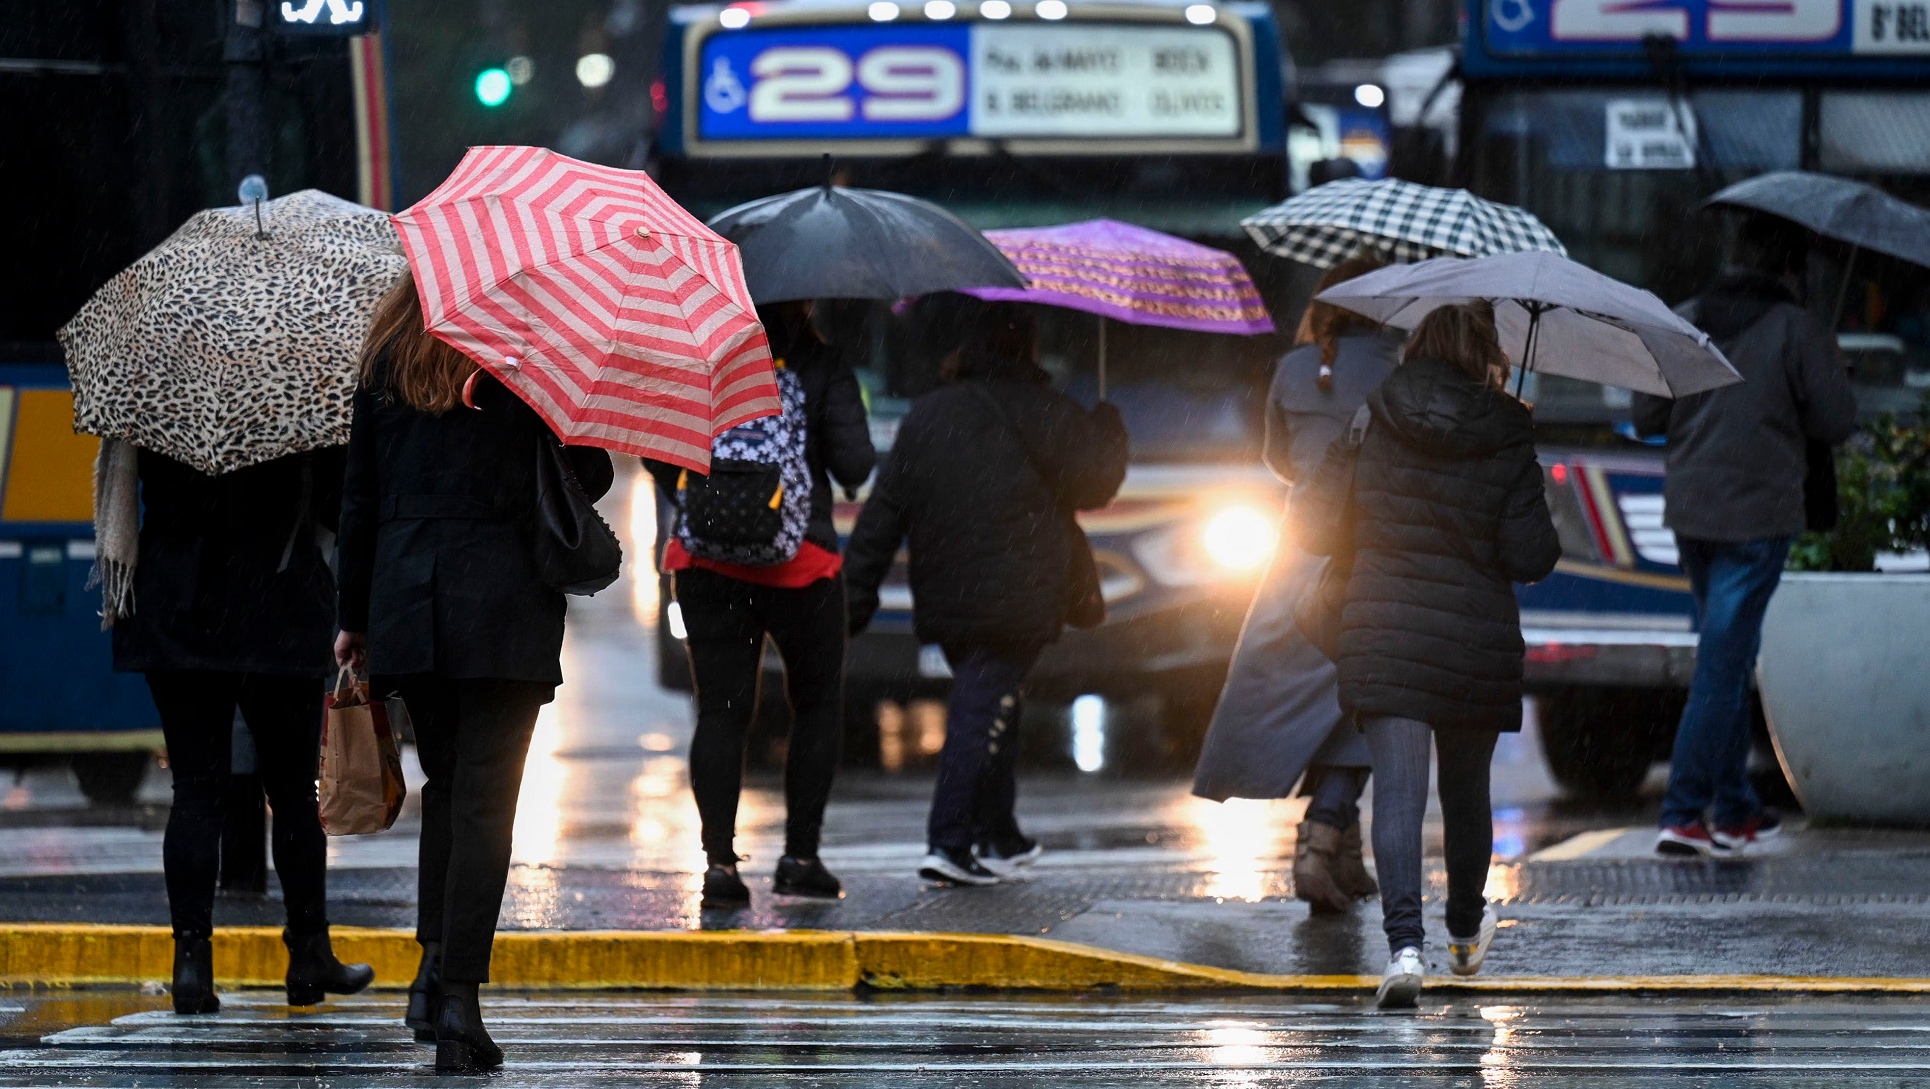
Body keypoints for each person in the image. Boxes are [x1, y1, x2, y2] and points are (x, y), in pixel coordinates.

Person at [335, 272, 613, 1074]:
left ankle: (428, 974)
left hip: (408, 607)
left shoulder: (386, 361)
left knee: (450, 792)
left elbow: (359, 500)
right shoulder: (525, 359)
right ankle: (458, 999)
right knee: (486, 804)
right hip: (501, 611)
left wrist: (353, 617)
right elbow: (587, 476)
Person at [1295, 302, 1559, 1008]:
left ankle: (1405, 949)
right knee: (1466, 791)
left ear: (1419, 344)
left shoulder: (1372, 413)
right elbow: (1532, 554)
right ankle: (1466, 936)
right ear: (1485, 354)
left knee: (1399, 792)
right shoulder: (1508, 428)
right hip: (1473, 637)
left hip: (1385, 626)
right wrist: (1519, 450)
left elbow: (1313, 524)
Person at [845, 300, 1129, 885]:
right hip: (1021, 593)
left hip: (946, 594)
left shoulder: (928, 415)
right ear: (1026, 345)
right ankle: (949, 842)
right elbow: (1097, 483)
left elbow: (884, 513)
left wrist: (855, 595)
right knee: (984, 703)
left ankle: (999, 834)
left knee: (993, 696)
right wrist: (1108, 426)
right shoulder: (1048, 410)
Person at [104, 438, 374, 1015]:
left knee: (197, 794)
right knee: (296, 793)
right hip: (276, 608)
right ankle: (308, 954)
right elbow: (335, 506)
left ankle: (192, 965)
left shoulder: (163, 394)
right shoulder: (295, 395)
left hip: (179, 610)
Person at [1633, 214, 1857, 858]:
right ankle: (1683, 811)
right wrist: (1830, 370)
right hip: (1758, 517)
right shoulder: (1795, 328)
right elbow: (1837, 421)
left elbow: (1647, 414)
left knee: (1724, 653)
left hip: (1691, 511)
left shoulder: (1684, 317)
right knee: (1723, 660)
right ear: (1789, 268)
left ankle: (1733, 808)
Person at [644, 300, 876, 909]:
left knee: (720, 714)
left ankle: (720, 866)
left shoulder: (698, 356)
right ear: (803, 301)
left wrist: (717, 502)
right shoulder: (822, 364)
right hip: (803, 565)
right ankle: (800, 858)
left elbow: (655, 449)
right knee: (817, 706)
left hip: (707, 566)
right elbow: (855, 464)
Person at [1191, 253, 1397, 915]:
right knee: (1366, 698)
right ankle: (1324, 830)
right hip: (1368, 556)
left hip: (1297, 557)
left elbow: (1277, 458)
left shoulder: (1292, 368)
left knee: (1310, 700)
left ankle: (1342, 853)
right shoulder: (1400, 371)